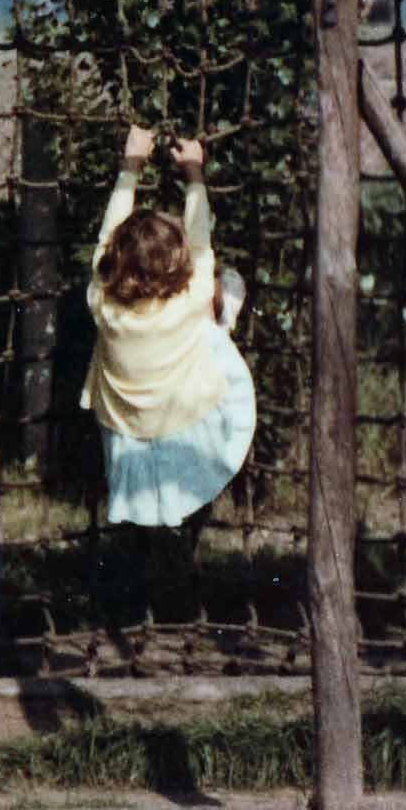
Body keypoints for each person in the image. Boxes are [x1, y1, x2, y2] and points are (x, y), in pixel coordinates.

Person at [85, 129, 254, 529]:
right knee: (223, 299)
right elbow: (201, 244)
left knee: (145, 526)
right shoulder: (191, 297)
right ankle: (223, 320)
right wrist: (194, 172)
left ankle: (152, 548)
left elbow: (106, 237)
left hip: (129, 428)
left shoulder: (102, 301)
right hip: (187, 415)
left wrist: (131, 163)